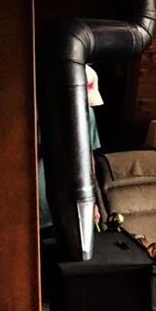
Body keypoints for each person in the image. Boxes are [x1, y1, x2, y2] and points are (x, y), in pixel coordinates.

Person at [39, 64, 104, 238]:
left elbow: (89, 157)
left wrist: (92, 202)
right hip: (34, 211)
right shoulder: (34, 113)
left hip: (69, 212)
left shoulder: (88, 114)